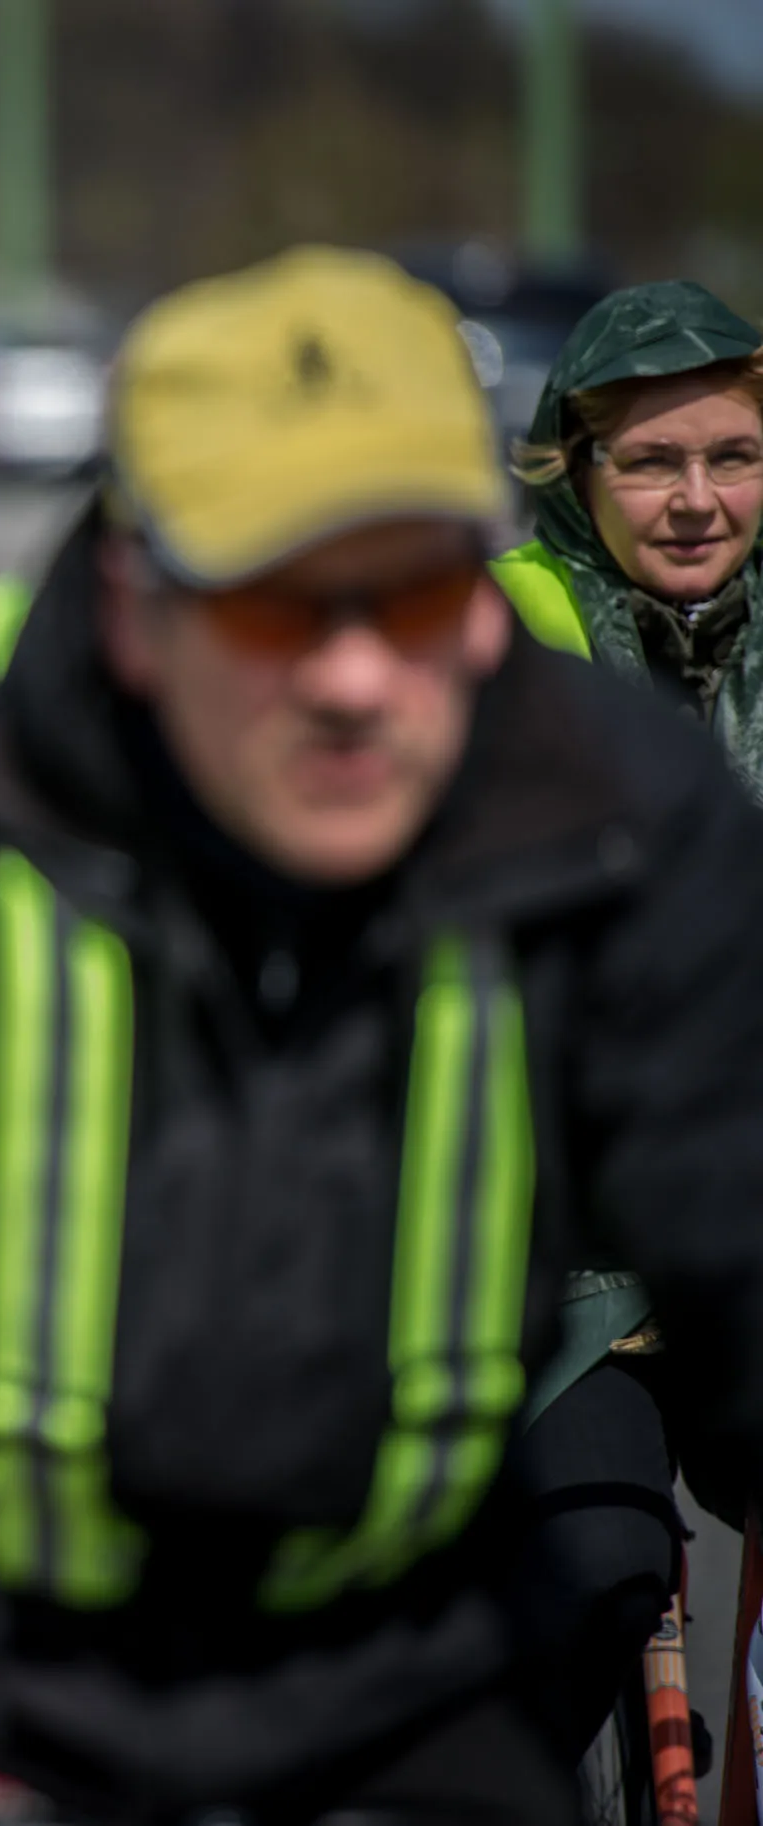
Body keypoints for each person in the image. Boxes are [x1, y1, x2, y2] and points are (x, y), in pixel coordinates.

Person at [0, 245, 763, 1824]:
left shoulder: (612, 806)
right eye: (273, 601)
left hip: (407, 1652)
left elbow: (734, 1201)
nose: (350, 677)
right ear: (135, 604)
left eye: (410, 591)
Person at [482, 279, 763, 1764]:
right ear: (575, 472)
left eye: (735, 456)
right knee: (586, 1579)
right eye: (652, 461)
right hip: (562, 1264)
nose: (700, 499)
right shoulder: (506, 641)